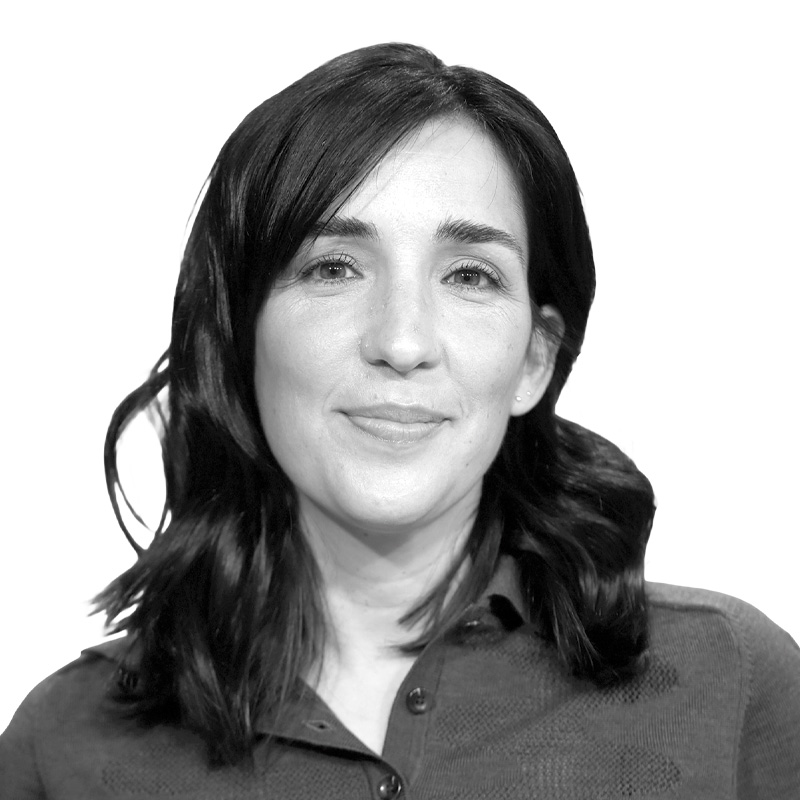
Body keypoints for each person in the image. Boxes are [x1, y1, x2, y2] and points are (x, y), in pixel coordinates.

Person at [1, 42, 798, 799]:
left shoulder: (733, 680)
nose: (403, 342)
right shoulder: (61, 744)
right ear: (240, 335)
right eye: (333, 268)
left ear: (535, 357)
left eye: (470, 276)